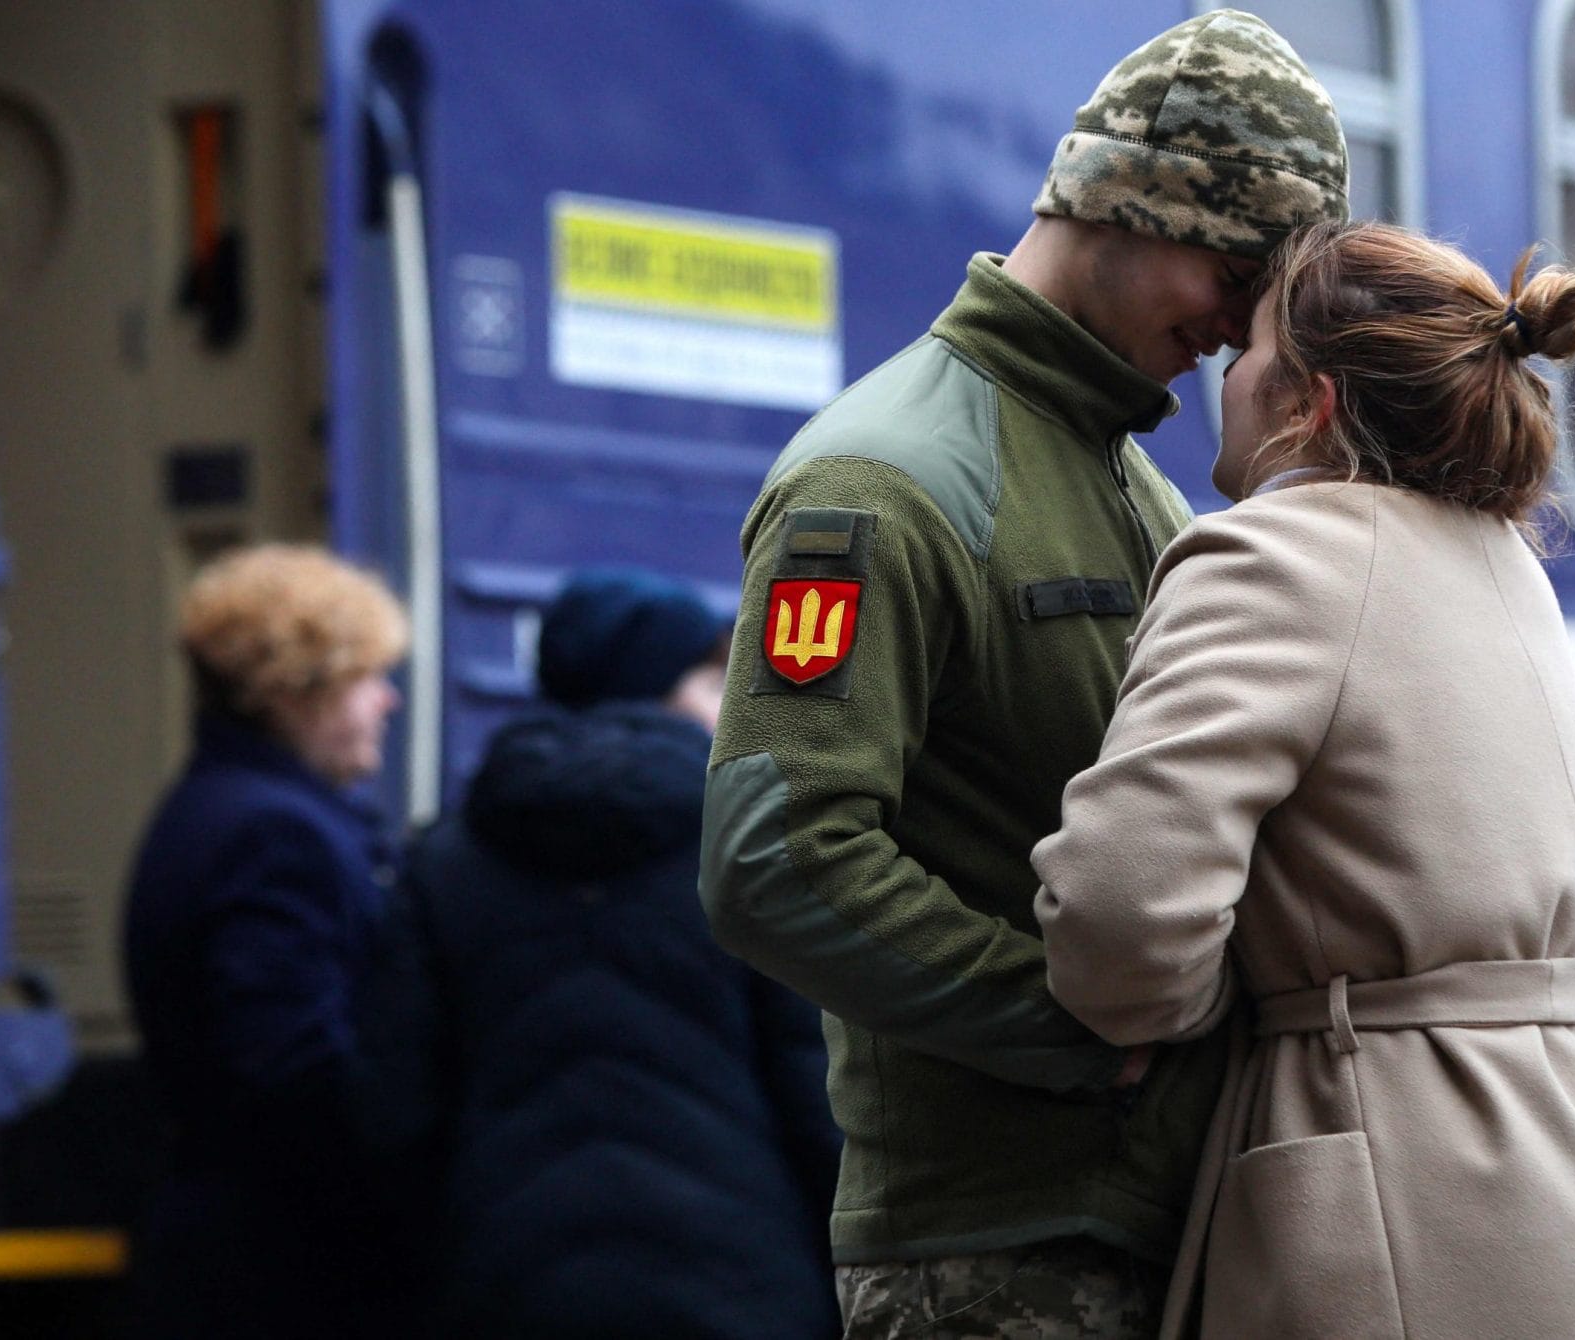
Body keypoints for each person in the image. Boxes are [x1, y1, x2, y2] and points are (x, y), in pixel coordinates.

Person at [697, 10, 1349, 1335]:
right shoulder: (880, 483)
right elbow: (776, 851)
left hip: (1149, 1222)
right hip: (993, 1256)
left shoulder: (1134, 484)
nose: (1236, 330)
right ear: (1127, 205)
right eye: (1232, 270)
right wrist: (1082, 1036)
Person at [1030, 219, 1575, 1339]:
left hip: (1409, 1177)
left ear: (1310, 405)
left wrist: (1205, 998)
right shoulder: (1506, 561)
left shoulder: (1273, 553)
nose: (1225, 368)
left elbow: (1118, 926)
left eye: (1250, 347)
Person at [353, 566, 841, 1340]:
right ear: (660, 687)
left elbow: (397, 1114)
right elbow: (819, 1093)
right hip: (737, 1285)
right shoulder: (750, 843)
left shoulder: (447, 859)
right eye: (713, 682)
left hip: (510, 1287)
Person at [122, 544, 409, 1339]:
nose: (387, 701)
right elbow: (293, 1076)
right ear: (293, 692)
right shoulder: (275, 835)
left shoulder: (208, 809)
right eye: (364, 679)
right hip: (289, 1270)